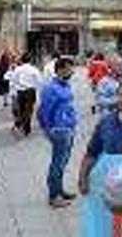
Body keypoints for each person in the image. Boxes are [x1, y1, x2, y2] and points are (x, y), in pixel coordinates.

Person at [36, 57, 78, 208]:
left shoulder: (65, 85)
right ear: (60, 69)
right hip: (59, 130)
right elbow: (43, 111)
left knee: (63, 162)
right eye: (69, 68)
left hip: (69, 129)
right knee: (57, 163)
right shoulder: (51, 88)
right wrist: (47, 129)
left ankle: (60, 190)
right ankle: (54, 196)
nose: (72, 71)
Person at [6, 52, 41, 136]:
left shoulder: (18, 69)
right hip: (30, 91)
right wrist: (38, 93)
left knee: (21, 109)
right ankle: (26, 128)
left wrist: (13, 93)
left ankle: (21, 124)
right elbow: (39, 81)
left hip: (20, 92)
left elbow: (13, 81)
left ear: (22, 60)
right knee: (29, 110)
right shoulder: (34, 69)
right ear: (30, 60)